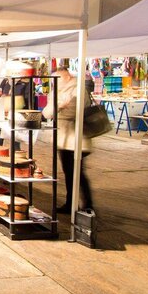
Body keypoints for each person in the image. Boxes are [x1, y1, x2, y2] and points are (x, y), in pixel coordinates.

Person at [43, 63, 94, 213]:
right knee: (69, 172)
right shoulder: (56, 92)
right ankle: (71, 203)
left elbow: (74, 110)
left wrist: (58, 108)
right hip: (62, 138)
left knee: (77, 173)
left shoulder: (78, 89)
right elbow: (46, 113)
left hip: (77, 138)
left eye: (58, 78)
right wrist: (60, 106)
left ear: (67, 76)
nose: (55, 82)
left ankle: (88, 205)